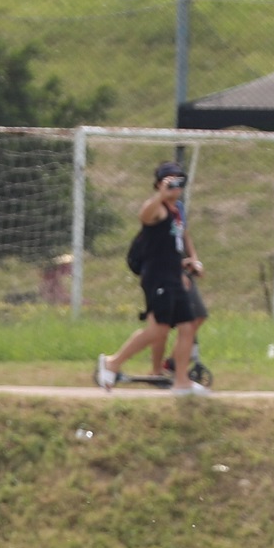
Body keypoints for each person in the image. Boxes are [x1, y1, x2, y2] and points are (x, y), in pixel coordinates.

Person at [99, 164, 208, 392]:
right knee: (158, 329)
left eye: (179, 182)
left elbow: (176, 243)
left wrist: (188, 262)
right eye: (170, 182)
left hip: (175, 275)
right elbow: (144, 215)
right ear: (159, 184)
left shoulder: (177, 212)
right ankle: (112, 362)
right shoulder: (158, 208)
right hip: (158, 277)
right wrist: (161, 195)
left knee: (187, 327)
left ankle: (181, 381)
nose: (176, 187)